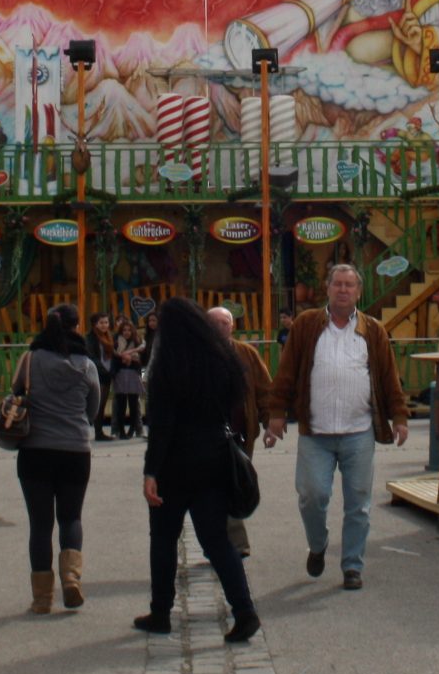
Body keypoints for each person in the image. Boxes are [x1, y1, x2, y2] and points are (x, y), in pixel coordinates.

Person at [264, 264, 410, 591]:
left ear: (358, 292)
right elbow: (286, 371)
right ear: (327, 289)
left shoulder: (373, 330)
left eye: (349, 285)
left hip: (359, 432)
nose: (343, 290)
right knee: (311, 496)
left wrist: (399, 417)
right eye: (338, 284)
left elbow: (389, 377)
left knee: (358, 503)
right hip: (315, 433)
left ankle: (352, 565)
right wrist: (276, 413)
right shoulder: (306, 325)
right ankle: (318, 545)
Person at [136, 298, 260, 643]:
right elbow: (234, 404)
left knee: (164, 538)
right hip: (214, 458)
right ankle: (245, 611)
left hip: (174, 463)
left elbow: (161, 425)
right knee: (217, 540)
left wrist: (150, 472)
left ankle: (161, 612)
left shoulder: (168, 365)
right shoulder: (222, 360)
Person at [15, 303, 101, 614]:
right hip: (75, 449)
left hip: (35, 448)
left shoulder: (30, 359)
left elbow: (16, 391)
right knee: (71, 517)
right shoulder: (86, 365)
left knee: (40, 524)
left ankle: (41, 598)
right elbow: (93, 409)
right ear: (77, 327)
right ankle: (71, 578)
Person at [208, 305, 273, 557]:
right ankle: (232, 544)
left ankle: (228, 543)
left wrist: (269, 422)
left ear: (232, 326)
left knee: (234, 484)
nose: (219, 327)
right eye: (213, 323)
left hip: (240, 433)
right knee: (217, 486)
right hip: (208, 434)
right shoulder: (196, 353)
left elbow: (264, 389)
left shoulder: (246, 354)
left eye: (224, 322)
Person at [110, 317, 145, 439]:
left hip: (133, 374)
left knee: (134, 404)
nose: (127, 332)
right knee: (121, 404)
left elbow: (139, 360)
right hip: (120, 373)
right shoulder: (116, 341)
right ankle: (121, 431)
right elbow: (114, 358)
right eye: (124, 330)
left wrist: (129, 357)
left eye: (129, 330)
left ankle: (132, 429)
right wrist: (124, 358)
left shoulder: (137, 342)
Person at [88, 309, 116, 442]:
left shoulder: (109, 336)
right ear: (95, 324)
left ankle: (99, 431)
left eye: (106, 322)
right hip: (98, 374)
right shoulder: (91, 338)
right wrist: (104, 370)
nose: (105, 325)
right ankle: (98, 432)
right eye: (101, 323)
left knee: (102, 403)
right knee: (97, 404)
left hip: (108, 373)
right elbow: (91, 356)